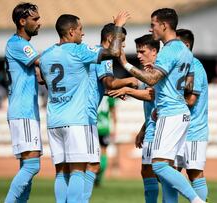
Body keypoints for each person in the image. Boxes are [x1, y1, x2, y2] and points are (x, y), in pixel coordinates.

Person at [39, 13, 129, 203]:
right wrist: (118, 26)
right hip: (78, 120)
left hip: (55, 120)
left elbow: (43, 80)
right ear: (71, 32)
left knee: (61, 172)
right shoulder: (79, 51)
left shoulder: (46, 55)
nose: (83, 34)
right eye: (80, 30)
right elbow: (112, 53)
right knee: (79, 171)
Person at [118, 8, 205, 203]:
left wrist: (125, 63)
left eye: (153, 25)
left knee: (158, 166)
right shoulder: (185, 51)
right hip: (180, 113)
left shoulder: (169, 50)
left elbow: (151, 78)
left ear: (164, 25)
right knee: (168, 170)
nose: (151, 29)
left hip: (171, 113)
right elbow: (188, 84)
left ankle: (196, 200)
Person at [109, 34, 160, 203]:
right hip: (152, 128)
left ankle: (195, 198)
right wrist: (144, 129)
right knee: (147, 170)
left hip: (165, 129)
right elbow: (131, 82)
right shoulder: (146, 72)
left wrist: (128, 90)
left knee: (164, 171)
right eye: (137, 51)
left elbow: (150, 95)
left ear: (154, 52)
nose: (138, 55)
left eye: (142, 51)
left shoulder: (158, 70)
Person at [90, 23, 138, 187]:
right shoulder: (103, 56)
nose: (123, 45)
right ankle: (96, 179)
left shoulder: (91, 52)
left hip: (88, 117)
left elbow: (96, 86)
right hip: (93, 120)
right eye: (121, 40)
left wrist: (109, 92)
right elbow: (110, 83)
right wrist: (129, 82)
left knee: (81, 163)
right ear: (111, 38)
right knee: (88, 163)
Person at [4, 3, 43, 203]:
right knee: (32, 165)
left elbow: (37, 72)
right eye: (35, 19)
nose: (39, 23)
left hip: (27, 112)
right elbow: (41, 62)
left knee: (26, 166)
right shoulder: (18, 43)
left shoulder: (21, 45)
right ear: (22, 21)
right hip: (23, 111)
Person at [175, 29, 209, 202]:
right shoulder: (181, 67)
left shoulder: (195, 67)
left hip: (194, 130)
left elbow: (191, 100)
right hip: (178, 129)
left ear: (186, 46)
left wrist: (169, 98)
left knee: (194, 173)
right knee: (169, 171)